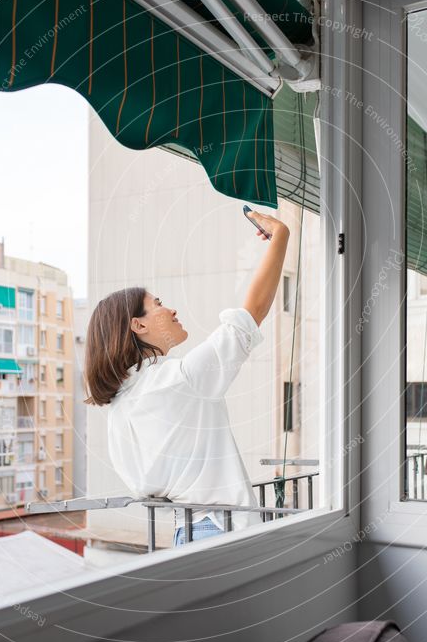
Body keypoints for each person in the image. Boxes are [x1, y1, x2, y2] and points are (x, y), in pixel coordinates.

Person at [84, 209, 290, 547]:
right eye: (159, 304)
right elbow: (251, 314)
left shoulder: (120, 406)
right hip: (221, 534)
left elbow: (144, 487)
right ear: (139, 325)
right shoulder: (180, 380)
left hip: (185, 534)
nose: (172, 310)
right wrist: (280, 235)